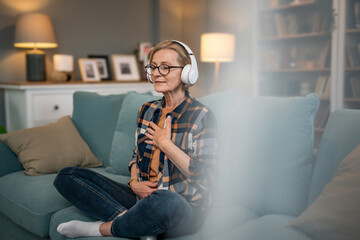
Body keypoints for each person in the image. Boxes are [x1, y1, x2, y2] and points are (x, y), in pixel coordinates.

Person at [53, 40, 217, 239]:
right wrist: (133, 183)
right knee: (66, 176)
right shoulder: (147, 110)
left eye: (165, 67)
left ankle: (101, 229)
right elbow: (136, 155)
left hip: (183, 205)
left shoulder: (201, 115)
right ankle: (136, 224)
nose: (156, 73)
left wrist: (165, 143)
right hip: (142, 199)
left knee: (166, 201)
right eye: (153, 67)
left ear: (187, 72)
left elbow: (206, 176)